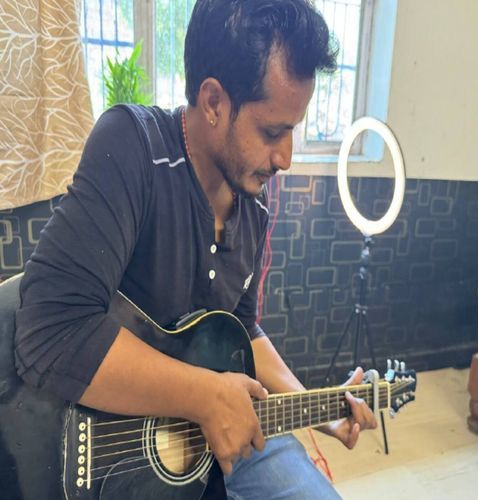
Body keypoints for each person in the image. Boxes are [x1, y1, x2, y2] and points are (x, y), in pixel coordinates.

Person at [15, 0, 377, 498]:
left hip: (223, 433)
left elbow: (242, 330)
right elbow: (50, 329)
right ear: (212, 102)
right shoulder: (133, 148)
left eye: (293, 130)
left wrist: (317, 408)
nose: (286, 158)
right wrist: (204, 396)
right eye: (272, 132)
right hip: (111, 452)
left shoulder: (254, 204)